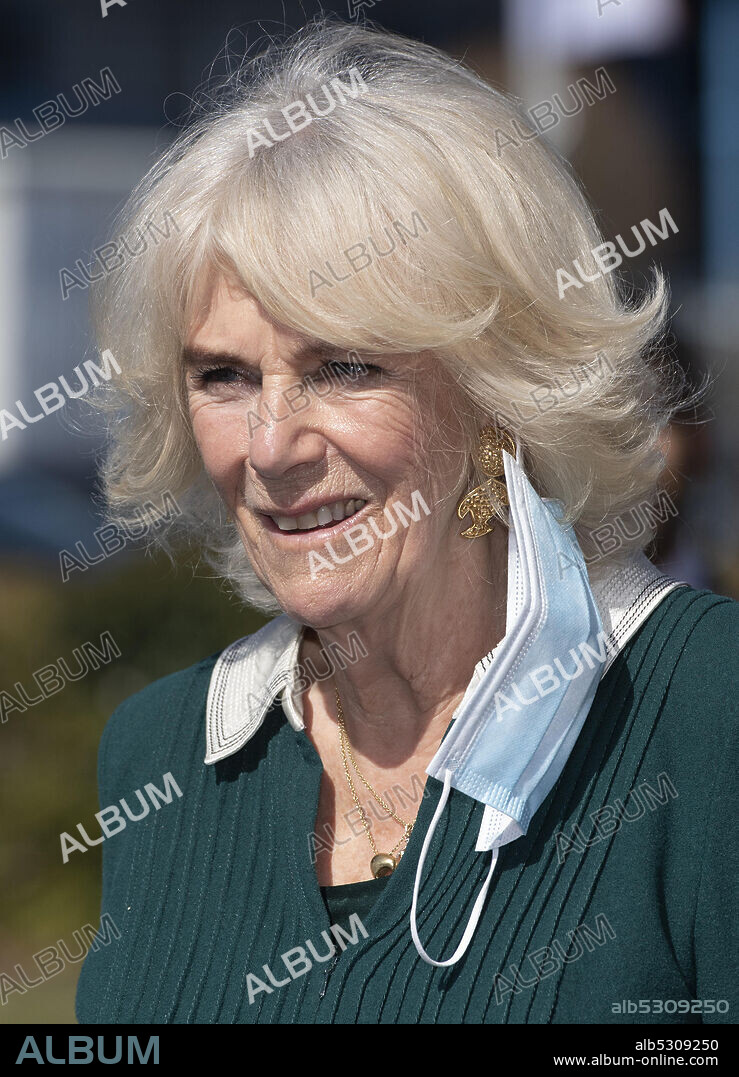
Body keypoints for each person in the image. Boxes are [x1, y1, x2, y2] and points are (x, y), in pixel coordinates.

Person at [76, 18, 737, 1024]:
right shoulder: (166, 753)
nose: (270, 446)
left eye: (345, 367)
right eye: (223, 376)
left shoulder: (702, 708)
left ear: (496, 395)